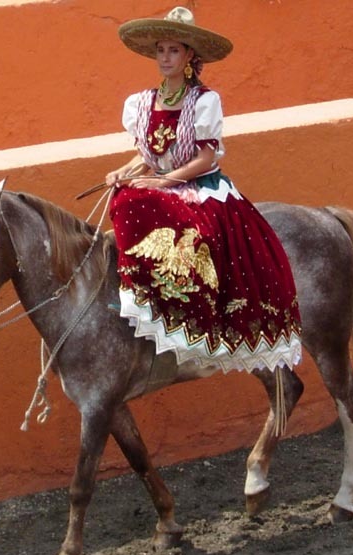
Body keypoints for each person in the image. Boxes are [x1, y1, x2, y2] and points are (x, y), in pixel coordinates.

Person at [106, 6, 301, 375]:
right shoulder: (142, 103)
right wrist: (124, 171)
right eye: (161, 50)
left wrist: (165, 181)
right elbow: (148, 154)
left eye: (174, 50)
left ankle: (192, 310)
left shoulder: (204, 101)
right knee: (126, 198)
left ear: (190, 56)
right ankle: (141, 295)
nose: (165, 57)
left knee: (198, 235)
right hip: (162, 185)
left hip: (201, 188)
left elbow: (205, 157)